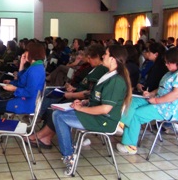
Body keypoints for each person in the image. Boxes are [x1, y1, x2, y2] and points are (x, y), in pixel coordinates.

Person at [53, 45, 132, 175]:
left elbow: (105, 109)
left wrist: (81, 108)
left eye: (105, 54)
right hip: (96, 115)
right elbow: (98, 98)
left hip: (103, 121)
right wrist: (84, 102)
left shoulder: (116, 80)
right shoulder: (109, 75)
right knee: (58, 113)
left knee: (59, 116)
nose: (103, 56)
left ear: (113, 59)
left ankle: (69, 157)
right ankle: (70, 150)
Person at [117, 47, 178, 155]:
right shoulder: (173, 72)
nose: (166, 65)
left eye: (168, 62)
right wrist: (151, 94)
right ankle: (122, 123)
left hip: (170, 108)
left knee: (136, 115)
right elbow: (162, 88)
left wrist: (156, 100)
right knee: (133, 100)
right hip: (161, 102)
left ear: (177, 61)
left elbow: (175, 94)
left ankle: (130, 146)